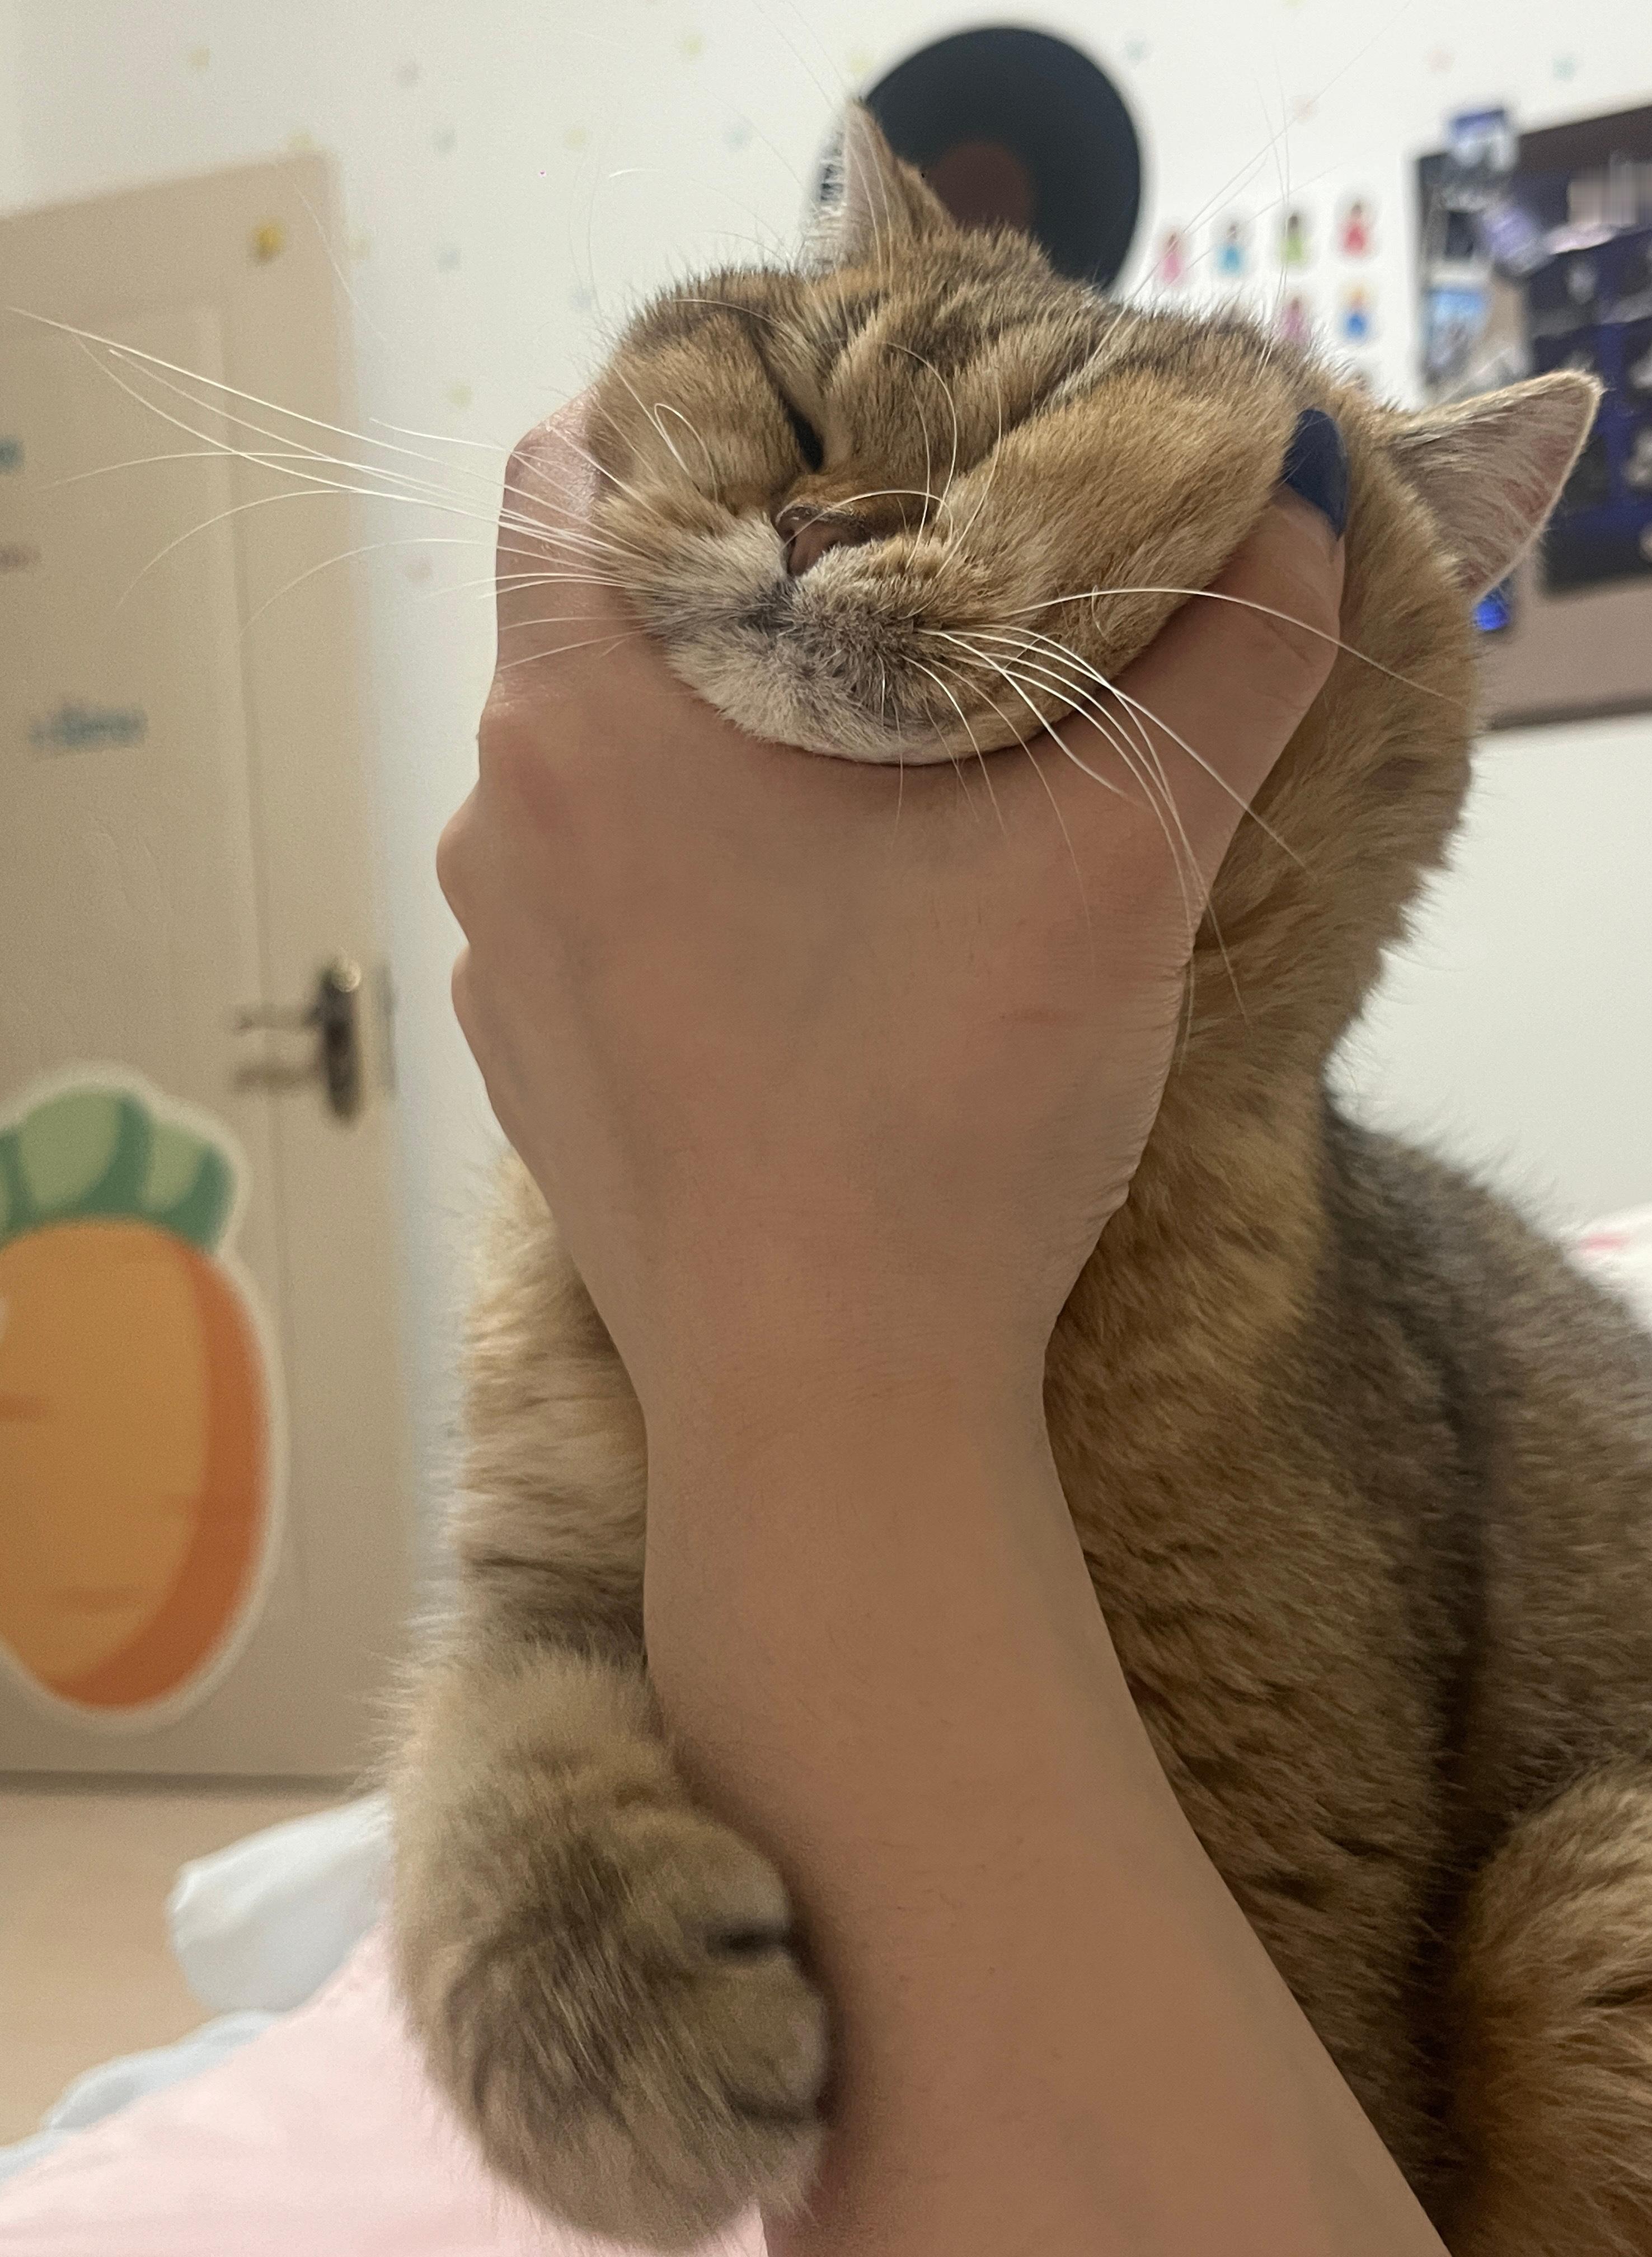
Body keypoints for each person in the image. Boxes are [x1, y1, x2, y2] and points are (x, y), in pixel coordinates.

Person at [439, 401, 1447, 2256]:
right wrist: (529, 1883)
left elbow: (1324, 1997)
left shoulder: (1240, 1318)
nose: (830, 521)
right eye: (808, 423)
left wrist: (818, 1320)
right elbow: (542, 1627)